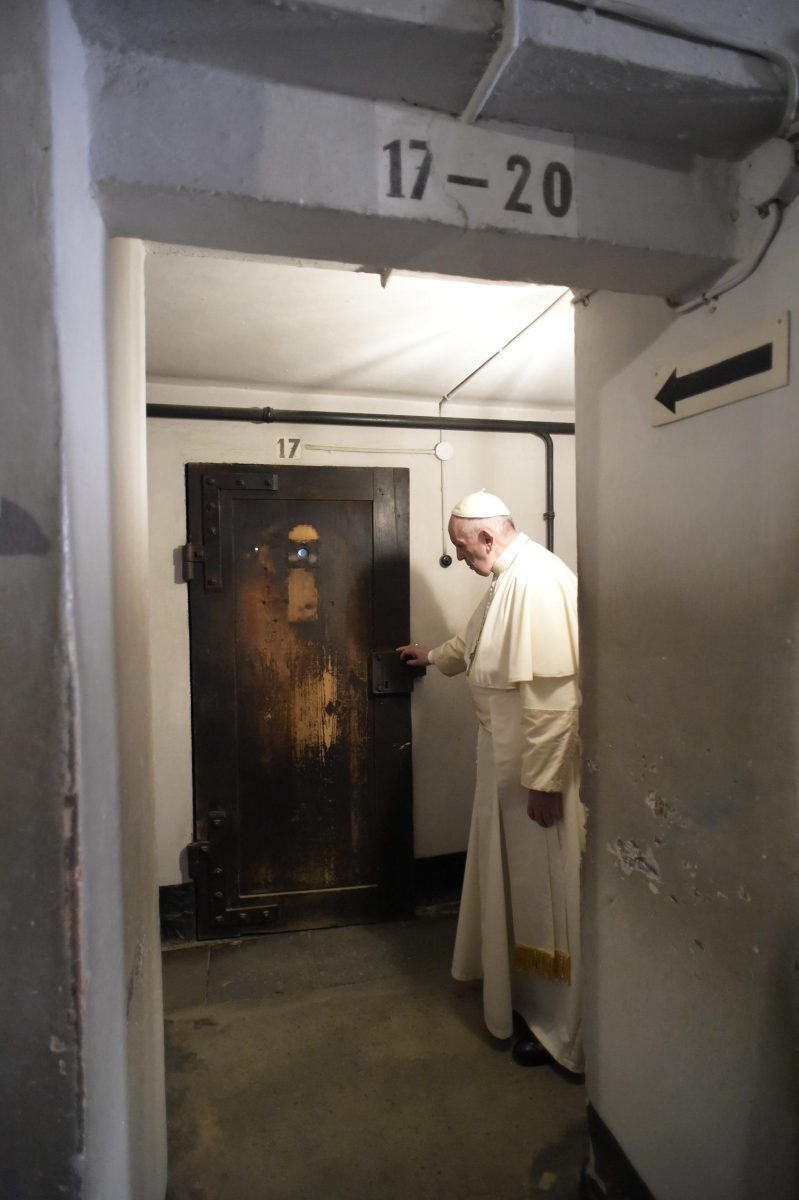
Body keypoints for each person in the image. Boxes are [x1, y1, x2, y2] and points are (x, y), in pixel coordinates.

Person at [398, 490, 583, 1073]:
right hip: (506, 765)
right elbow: (476, 641)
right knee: (513, 886)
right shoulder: (507, 576)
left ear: (486, 536)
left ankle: (560, 1027)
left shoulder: (539, 581)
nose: (459, 555)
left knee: (545, 892)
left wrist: (545, 782)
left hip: (534, 774)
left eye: (461, 545)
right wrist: (434, 657)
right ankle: (524, 998)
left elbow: (555, 700)